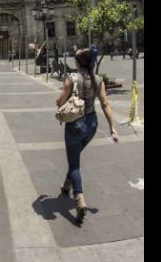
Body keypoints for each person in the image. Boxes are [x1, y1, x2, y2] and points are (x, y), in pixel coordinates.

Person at [55, 48, 119, 224]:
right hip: (92, 126)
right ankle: (66, 186)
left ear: (78, 62)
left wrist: (63, 98)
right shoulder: (98, 80)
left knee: (74, 164)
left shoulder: (71, 78)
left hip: (75, 125)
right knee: (74, 157)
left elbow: (59, 101)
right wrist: (113, 127)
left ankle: (79, 199)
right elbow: (105, 104)